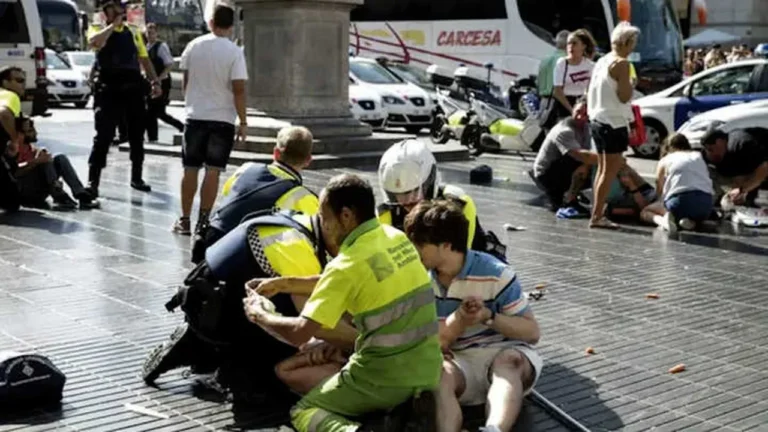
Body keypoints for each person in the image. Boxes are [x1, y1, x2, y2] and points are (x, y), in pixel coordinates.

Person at [245, 174, 441, 432]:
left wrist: (259, 314)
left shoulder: (346, 265)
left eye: (324, 218)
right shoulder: (394, 238)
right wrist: (285, 283)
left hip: (384, 377)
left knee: (303, 411)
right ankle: (401, 411)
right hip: (428, 369)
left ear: (346, 216)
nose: (322, 225)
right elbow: (348, 279)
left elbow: (299, 333)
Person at [144, 208, 357, 411]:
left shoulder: (302, 221)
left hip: (212, 300)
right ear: (333, 223)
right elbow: (313, 323)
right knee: (288, 356)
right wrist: (366, 345)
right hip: (217, 313)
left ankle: (205, 349)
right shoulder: (295, 247)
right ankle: (237, 372)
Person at [403, 200, 541, 432]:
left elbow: (532, 333)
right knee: (438, 374)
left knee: (508, 362)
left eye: (420, 244)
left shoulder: (496, 274)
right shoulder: (420, 281)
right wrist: (460, 319)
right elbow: (438, 342)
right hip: (459, 360)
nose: (412, 250)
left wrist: (488, 316)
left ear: (446, 245)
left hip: (501, 352)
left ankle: (494, 429)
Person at [186, 126, 318, 263]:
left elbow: (227, 192)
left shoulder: (245, 169)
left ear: (276, 153)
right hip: (244, 256)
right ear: (308, 160)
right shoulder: (302, 196)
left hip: (211, 245)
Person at [175, 4, 248, 239]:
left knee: (190, 169)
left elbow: (186, 82)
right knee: (213, 171)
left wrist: (192, 103)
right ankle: (203, 221)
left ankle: (184, 219)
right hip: (222, 118)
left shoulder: (193, 46)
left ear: (211, 22)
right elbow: (238, 89)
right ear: (232, 25)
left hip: (195, 115)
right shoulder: (234, 52)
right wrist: (243, 120)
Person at [377, 139, 507, 261]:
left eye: (413, 191)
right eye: (397, 194)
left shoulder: (458, 204)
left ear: (429, 182)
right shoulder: (386, 213)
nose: (406, 201)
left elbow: (456, 261)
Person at [87, 0, 161, 197]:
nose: (120, 12)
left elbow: (144, 59)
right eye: (115, 9)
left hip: (133, 88)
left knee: (137, 135)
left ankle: (137, 177)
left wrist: (155, 82)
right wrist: (112, 26)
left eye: (121, 9)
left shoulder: (134, 31)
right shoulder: (97, 28)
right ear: (107, 12)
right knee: (103, 135)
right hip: (108, 89)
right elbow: (95, 43)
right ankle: (93, 181)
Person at [587, 21, 639, 229]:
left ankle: (597, 212)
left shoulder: (603, 61)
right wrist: (632, 85)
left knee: (601, 170)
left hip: (598, 120)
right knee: (609, 172)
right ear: (627, 42)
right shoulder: (623, 64)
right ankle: (597, 215)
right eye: (633, 42)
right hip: (614, 123)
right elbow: (625, 96)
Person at [5, 116, 99, 209]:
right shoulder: (12, 150)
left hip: (39, 189)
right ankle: (58, 195)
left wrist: (43, 159)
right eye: (30, 131)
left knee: (59, 158)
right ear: (19, 134)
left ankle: (80, 194)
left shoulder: (32, 149)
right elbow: (14, 172)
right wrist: (36, 161)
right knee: (44, 162)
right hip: (23, 192)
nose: (35, 133)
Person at [531, 99, 596, 213]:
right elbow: (579, 155)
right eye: (578, 111)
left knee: (590, 163)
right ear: (573, 109)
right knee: (582, 160)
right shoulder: (565, 130)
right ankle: (567, 196)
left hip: (568, 166)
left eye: (585, 114)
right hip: (546, 173)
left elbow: (588, 153)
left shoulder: (586, 128)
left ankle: (571, 194)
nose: (580, 117)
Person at [641, 134, 713, 233]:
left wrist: (659, 201)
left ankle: (663, 222)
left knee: (646, 212)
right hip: (706, 205)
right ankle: (687, 222)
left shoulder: (666, 159)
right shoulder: (699, 156)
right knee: (691, 212)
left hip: (679, 203)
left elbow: (659, 184)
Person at [700, 128, 768, 208]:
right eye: (707, 150)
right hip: (747, 166)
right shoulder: (708, 155)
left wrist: (742, 190)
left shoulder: (742, 144)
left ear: (720, 142)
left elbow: (764, 169)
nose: (710, 154)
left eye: (711, 150)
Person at [144, 22, 184, 143]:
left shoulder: (161, 46)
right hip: (151, 82)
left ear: (156, 33)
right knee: (150, 111)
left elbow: (169, 64)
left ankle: (181, 127)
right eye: (148, 31)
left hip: (162, 82)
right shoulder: (146, 47)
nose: (149, 34)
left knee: (158, 112)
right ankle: (152, 137)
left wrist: (159, 79)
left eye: (152, 31)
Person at [549, 29, 596, 126]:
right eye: (568, 44)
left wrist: (582, 104)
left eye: (574, 43)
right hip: (565, 105)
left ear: (583, 46)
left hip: (582, 104)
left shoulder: (590, 66)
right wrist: (572, 110)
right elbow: (557, 91)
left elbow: (590, 88)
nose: (570, 47)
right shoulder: (562, 63)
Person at [0, 66, 23, 212]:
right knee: (12, 202)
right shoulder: (10, 96)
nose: (23, 84)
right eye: (19, 80)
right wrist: (15, 140)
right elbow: (3, 113)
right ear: (5, 82)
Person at [536, 30, 569, 114]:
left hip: (544, 103)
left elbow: (538, 82)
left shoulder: (545, 59)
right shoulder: (566, 60)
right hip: (559, 106)